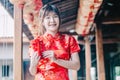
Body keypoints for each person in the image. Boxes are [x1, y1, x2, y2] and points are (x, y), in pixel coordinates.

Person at [28, 4, 80, 80]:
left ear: (59, 19)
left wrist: (57, 60)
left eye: (55, 16)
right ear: (42, 21)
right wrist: (33, 65)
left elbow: (77, 65)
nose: (52, 20)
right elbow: (33, 72)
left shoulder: (69, 40)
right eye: (48, 17)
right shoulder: (36, 42)